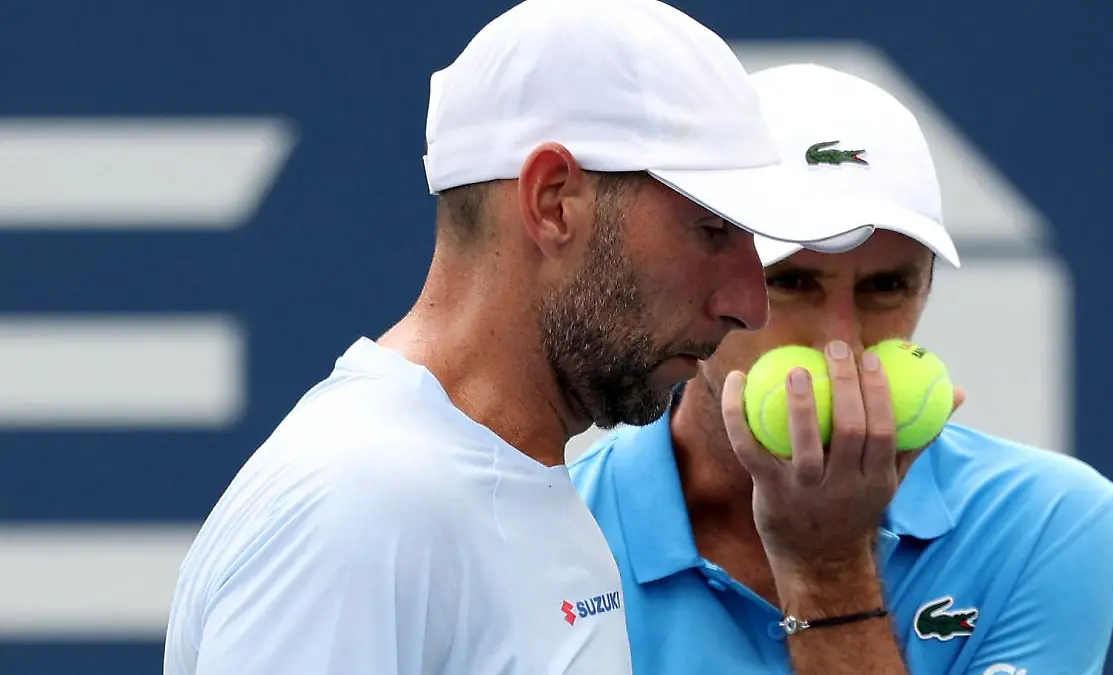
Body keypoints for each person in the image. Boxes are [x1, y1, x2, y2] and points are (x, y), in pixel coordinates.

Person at [160, 3, 882, 674]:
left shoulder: (512, 484)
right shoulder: (360, 505)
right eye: (711, 231)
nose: (748, 303)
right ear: (552, 200)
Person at [569, 63, 1113, 675]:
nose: (844, 343)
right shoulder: (547, 526)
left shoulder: (1047, 520)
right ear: (704, 285)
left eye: (886, 286)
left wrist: (828, 570)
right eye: (793, 282)